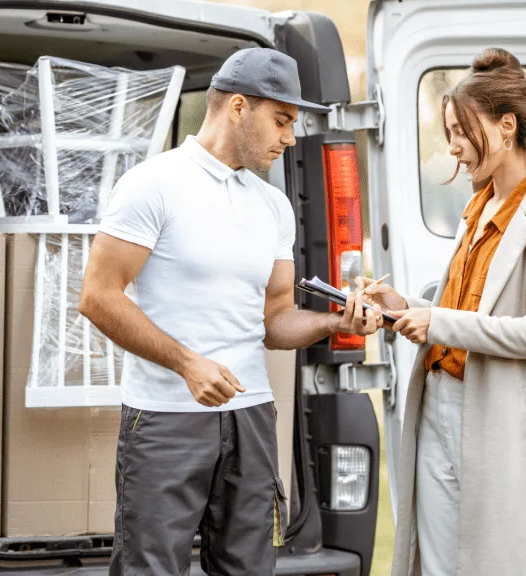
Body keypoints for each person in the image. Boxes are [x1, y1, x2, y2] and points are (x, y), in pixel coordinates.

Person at [80, 47, 383, 576]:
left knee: (248, 566)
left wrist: (335, 322)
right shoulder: (154, 184)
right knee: (150, 568)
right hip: (165, 419)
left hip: (250, 418)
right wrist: (186, 363)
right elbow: (98, 297)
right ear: (239, 107)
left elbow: (275, 321)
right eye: (282, 120)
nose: (290, 138)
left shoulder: (272, 206)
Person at [357, 48, 526, 576]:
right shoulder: (475, 210)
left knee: (498, 563)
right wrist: (404, 307)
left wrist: (436, 321)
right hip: (439, 404)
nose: (454, 148)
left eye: (462, 131)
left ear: (507, 127)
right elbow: (466, 309)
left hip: (497, 418)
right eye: (451, 132)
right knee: (437, 562)